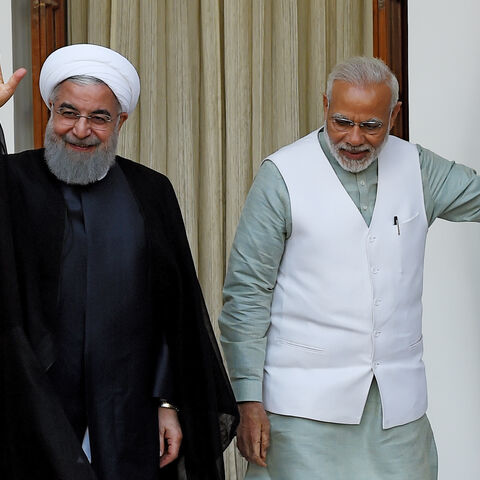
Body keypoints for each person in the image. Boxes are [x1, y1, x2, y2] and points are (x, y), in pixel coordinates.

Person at [219, 56, 480, 479]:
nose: (354, 138)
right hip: (300, 415)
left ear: (394, 115)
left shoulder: (420, 168)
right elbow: (246, 296)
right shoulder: (282, 175)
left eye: (371, 126)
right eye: (341, 121)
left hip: (397, 417)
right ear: (325, 105)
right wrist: (248, 400)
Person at [0, 44, 238, 480]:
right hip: (36, 407)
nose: (80, 129)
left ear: (121, 121)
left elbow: (173, 311)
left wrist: (167, 402)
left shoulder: (151, 192)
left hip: (127, 407)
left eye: (99, 118)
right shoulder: (13, 183)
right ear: (50, 109)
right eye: (68, 113)